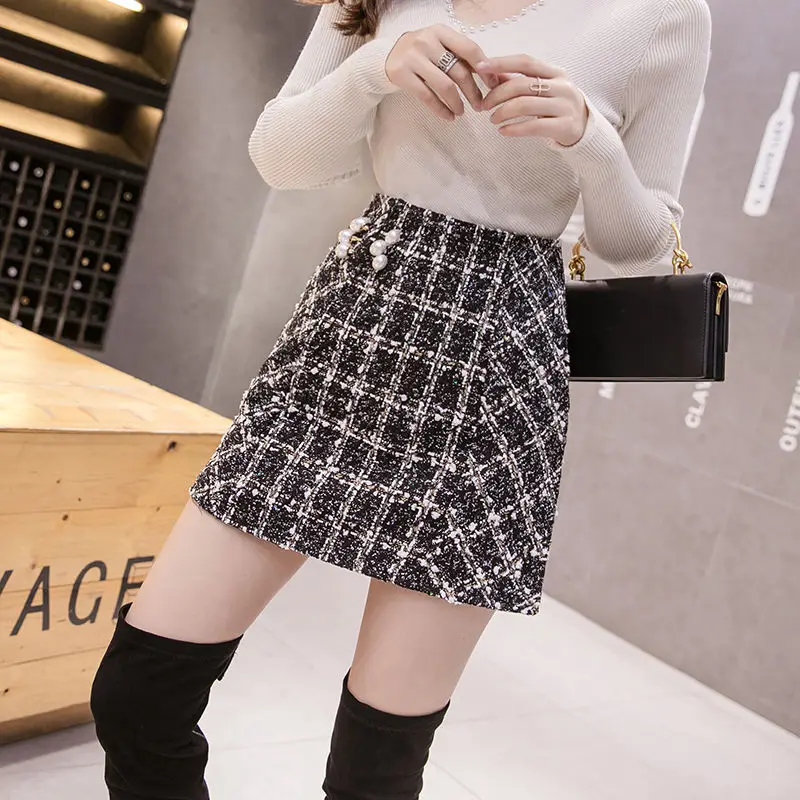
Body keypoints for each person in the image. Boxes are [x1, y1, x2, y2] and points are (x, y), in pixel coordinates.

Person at [90, 0, 711, 797]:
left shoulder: (661, 15)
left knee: (373, 775)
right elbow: (281, 157)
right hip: (349, 329)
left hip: (494, 367)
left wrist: (591, 139)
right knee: (138, 697)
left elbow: (643, 246)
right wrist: (372, 71)